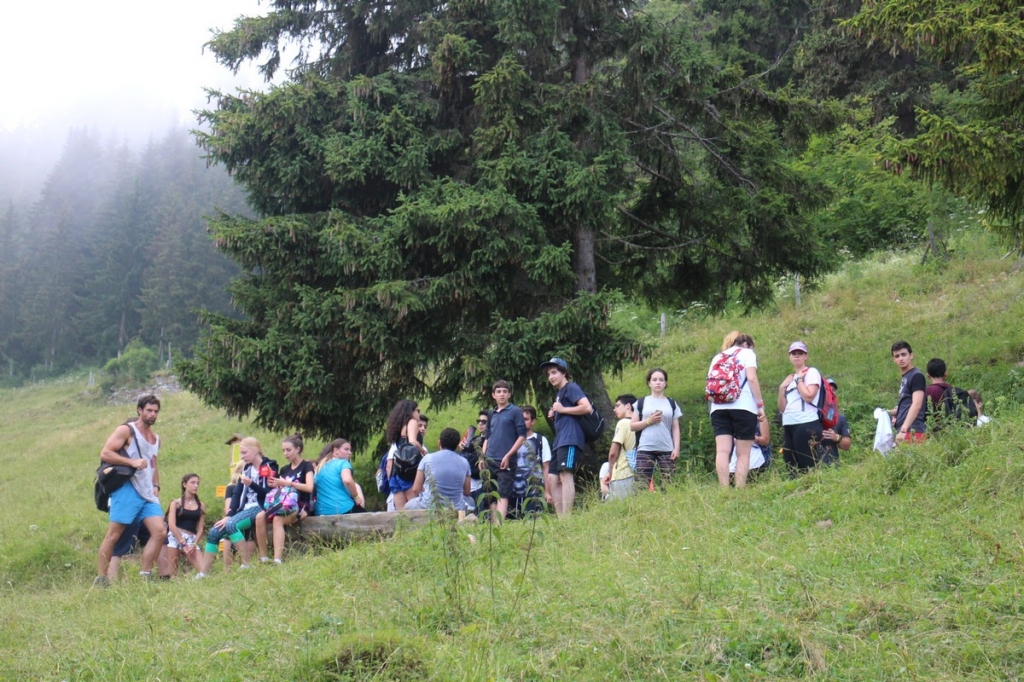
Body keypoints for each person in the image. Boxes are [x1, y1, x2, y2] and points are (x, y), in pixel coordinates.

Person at [95, 395, 166, 586]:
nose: (152, 414)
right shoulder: (127, 430)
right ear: (139, 410)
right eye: (149, 410)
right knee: (114, 535)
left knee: (160, 532)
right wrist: (131, 462)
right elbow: (106, 453)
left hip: (148, 493)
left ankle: (145, 574)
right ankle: (101, 578)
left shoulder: (156, 438)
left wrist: (156, 485)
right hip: (128, 489)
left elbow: (153, 464)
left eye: (156, 411)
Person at [196, 437, 278, 577]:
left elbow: (270, 494)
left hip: (261, 506)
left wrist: (252, 484)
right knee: (214, 532)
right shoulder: (246, 469)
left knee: (232, 525)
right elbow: (237, 494)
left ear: (255, 450)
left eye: (244, 452)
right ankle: (203, 573)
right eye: (241, 453)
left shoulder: (269, 466)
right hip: (245, 508)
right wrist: (229, 514)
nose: (242, 456)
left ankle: (246, 564)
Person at [708, 332, 767, 487]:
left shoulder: (718, 357)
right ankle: (740, 489)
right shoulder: (747, 353)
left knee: (722, 451)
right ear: (746, 344)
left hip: (718, 407)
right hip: (743, 406)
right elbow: (752, 378)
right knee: (743, 453)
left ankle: (724, 489)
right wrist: (760, 405)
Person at [541, 357, 592, 518]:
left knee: (565, 474)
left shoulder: (571, 387)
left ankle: (567, 518)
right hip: (560, 440)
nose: (551, 377)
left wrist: (563, 409)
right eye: (549, 374)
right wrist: (556, 413)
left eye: (554, 372)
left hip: (570, 438)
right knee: (552, 478)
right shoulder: (559, 393)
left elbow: (586, 407)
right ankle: (561, 518)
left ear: (564, 373)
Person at [256, 434, 314, 564]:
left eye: (288, 450)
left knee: (277, 519)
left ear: (298, 449)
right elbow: (281, 489)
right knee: (259, 517)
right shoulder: (285, 469)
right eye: (283, 450)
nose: (285, 453)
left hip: (300, 505)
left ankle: (278, 559)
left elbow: (309, 488)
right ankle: (263, 557)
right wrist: (275, 484)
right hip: (283, 503)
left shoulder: (307, 466)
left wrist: (288, 483)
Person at [480, 380, 527, 523]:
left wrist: (508, 455)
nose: (502, 394)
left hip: (506, 460)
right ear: (493, 395)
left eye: (505, 392)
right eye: (499, 392)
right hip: (490, 459)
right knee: (490, 494)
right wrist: (482, 457)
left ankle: (500, 525)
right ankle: (493, 524)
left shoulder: (515, 411)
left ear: (509, 394)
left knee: (503, 493)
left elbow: (522, 436)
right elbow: (487, 437)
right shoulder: (491, 413)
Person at [631, 369, 683, 490]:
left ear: (665, 383)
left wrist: (676, 448)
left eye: (661, 380)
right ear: (649, 383)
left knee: (669, 484)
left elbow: (675, 428)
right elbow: (632, 426)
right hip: (645, 447)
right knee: (641, 485)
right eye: (654, 380)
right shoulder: (641, 402)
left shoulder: (671, 403)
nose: (658, 382)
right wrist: (648, 421)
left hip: (667, 448)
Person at [778, 341, 825, 472]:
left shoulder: (811, 372)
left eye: (800, 353)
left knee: (808, 464)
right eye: (793, 353)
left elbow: (809, 396)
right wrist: (782, 388)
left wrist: (799, 380)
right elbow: (782, 408)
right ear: (789, 357)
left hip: (806, 422)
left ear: (806, 356)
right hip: (789, 423)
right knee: (791, 464)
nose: (797, 356)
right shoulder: (789, 378)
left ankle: (814, 484)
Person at [406, 428, 473, 512]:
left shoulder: (427, 458)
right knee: (471, 501)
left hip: (428, 505)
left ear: (439, 443)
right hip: (455, 507)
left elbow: (416, 489)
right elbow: (467, 492)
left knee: (407, 506)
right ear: (456, 446)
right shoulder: (465, 462)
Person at [384, 400, 427, 510]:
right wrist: (423, 451)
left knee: (401, 513)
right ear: (410, 412)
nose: (418, 413)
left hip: (396, 471)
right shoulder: (412, 422)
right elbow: (412, 441)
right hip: (408, 470)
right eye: (417, 410)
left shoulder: (399, 426)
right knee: (415, 508)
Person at [162, 473, 206, 578]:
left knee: (204, 570)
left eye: (197, 483)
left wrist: (194, 543)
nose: (196, 486)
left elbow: (200, 528)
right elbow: (171, 525)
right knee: (173, 573)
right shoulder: (175, 503)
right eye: (192, 483)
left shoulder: (201, 505)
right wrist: (182, 543)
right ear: (184, 484)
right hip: (176, 536)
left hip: (191, 538)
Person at [511, 406, 547, 517]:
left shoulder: (540, 440)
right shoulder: (510, 440)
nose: (522, 422)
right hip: (512, 491)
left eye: (526, 419)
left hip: (535, 492)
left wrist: (547, 491)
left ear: (533, 421)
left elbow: (546, 467)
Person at [313, 439, 366, 515]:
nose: (349, 452)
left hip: (321, 512)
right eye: (346, 449)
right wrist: (356, 497)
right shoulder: (343, 463)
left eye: (350, 450)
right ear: (336, 450)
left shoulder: (320, 466)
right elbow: (347, 480)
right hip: (343, 509)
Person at [889, 341, 927, 443]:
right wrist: (886, 412)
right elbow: (906, 405)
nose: (901, 358)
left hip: (913, 430)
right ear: (894, 359)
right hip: (904, 429)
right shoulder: (906, 377)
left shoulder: (916, 376)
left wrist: (904, 429)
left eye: (903, 354)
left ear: (911, 355)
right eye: (897, 356)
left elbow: (917, 404)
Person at [602, 394, 637, 500]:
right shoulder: (640, 424)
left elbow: (613, 453)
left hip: (622, 473)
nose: (614, 409)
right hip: (638, 472)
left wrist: (610, 472)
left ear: (628, 406)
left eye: (617, 406)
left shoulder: (623, 423)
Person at [459, 410, 489, 512]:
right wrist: (461, 446)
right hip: (469, 481)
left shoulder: (491, 441)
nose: (480, 424)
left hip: (482, 481)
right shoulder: (475, 438)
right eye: (478, 421)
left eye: (484, 422)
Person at [818, 379, 851, 464]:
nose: (831, 393)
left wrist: (836, 437)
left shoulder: (840, 418)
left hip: (833, 466)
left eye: (833, 390)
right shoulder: (810, 415)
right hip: (812, 465)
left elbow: (847, 446)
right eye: (828, 390)